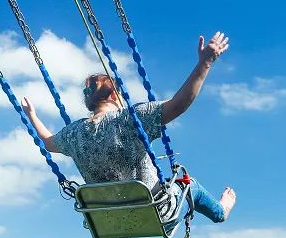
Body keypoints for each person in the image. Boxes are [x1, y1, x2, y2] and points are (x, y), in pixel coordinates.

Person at [21, 32, 236, 223]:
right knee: (191, 186)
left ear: (90, 102)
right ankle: (221, 211)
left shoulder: (73, 133)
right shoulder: (131, 118)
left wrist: (32, 115)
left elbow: (48, 143)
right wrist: (205, 63)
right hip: (155, 212)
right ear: (115, 95)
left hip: (109, 218)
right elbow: (179, 104)